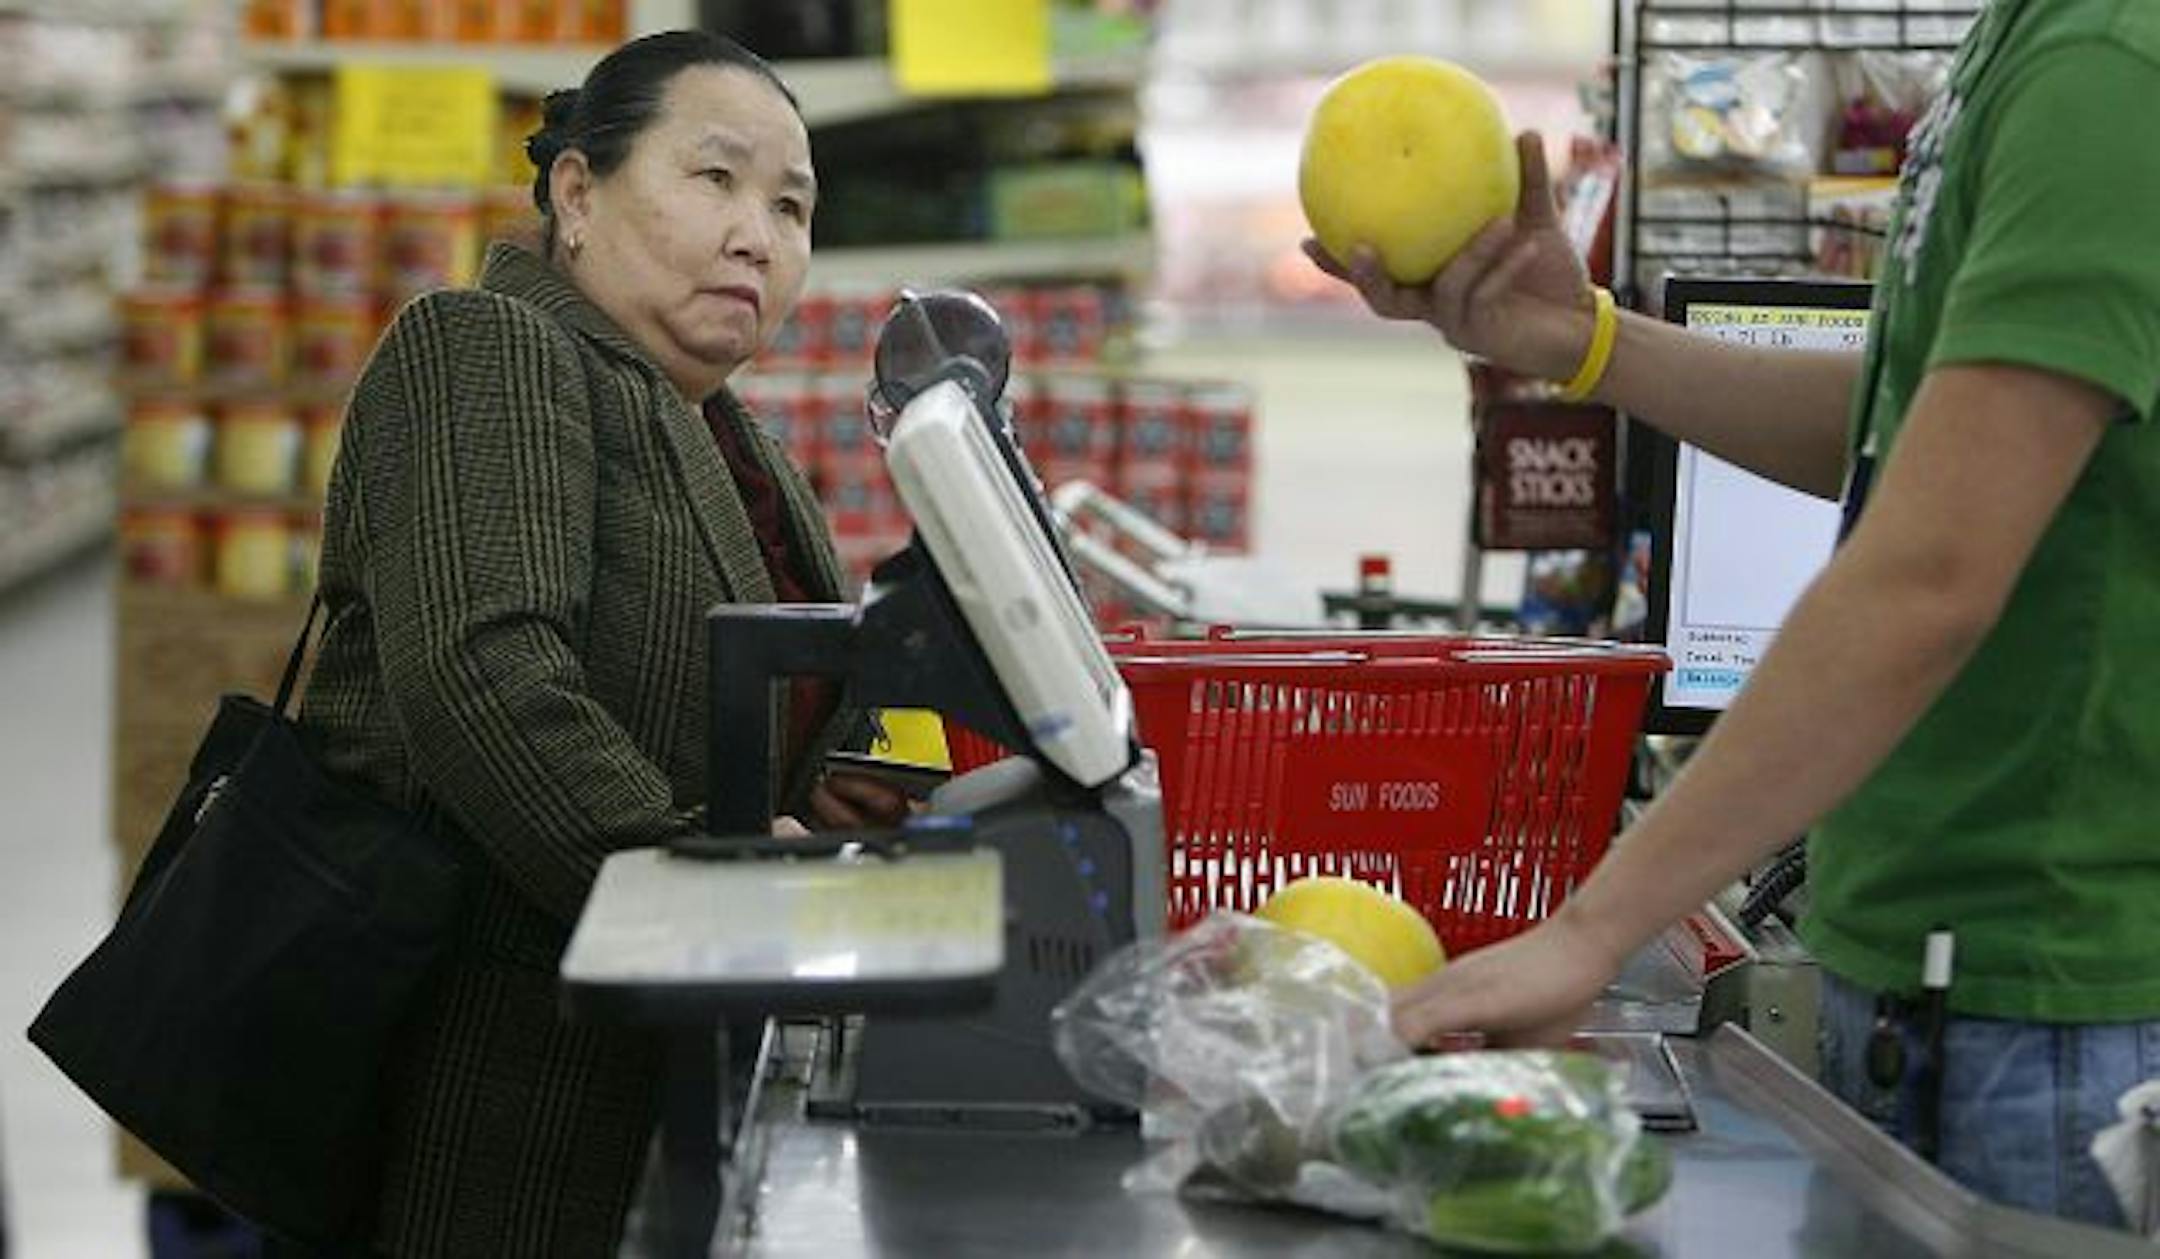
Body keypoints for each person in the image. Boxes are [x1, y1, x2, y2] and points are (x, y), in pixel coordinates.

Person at [1312, 0, 2160, 1229]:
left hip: (2045, 1009)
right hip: (1935, 964)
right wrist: (1582, 343)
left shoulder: (2107, 61)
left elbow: (1932, 567)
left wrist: (1597, 925)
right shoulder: (2031, 41)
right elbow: (1903, 425)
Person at [297, 30, 911, 1256]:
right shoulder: (485, 346)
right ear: (576, 194)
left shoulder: (726, 433)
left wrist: (882, 781)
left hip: (647, 1064)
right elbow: (486, 676)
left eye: (792, 206)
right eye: (715, 179)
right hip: (496, 1081)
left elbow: (777, 698)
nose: (759, 234)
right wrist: (711, 892)